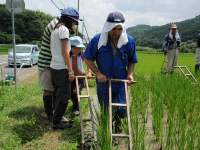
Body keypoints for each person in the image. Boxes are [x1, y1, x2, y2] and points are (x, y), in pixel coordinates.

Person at [83, 11, 137, 131]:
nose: (116, 32)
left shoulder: (129, 41)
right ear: (107, 26)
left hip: (120, 82)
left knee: (122, 110)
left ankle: (117, 127)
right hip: (104, 82)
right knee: (106, 110)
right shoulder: (97, 40)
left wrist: (130, 74)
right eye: (113, 29)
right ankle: (106, 132)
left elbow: (132, 60)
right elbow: (87, 58)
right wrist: (98, 73)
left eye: (119, 29)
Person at [70, 36, 86, 116]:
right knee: (70, 93)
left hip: (80, 77)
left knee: (76, 91)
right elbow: (73, 69)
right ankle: (75, 104)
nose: (79, 49)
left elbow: (88, 61)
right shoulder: (68, 55)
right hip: (71, 77)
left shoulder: (81, 54)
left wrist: (89, 72)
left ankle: (76, 108)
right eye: (77, 48)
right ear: (71, 48)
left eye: (80, 48)